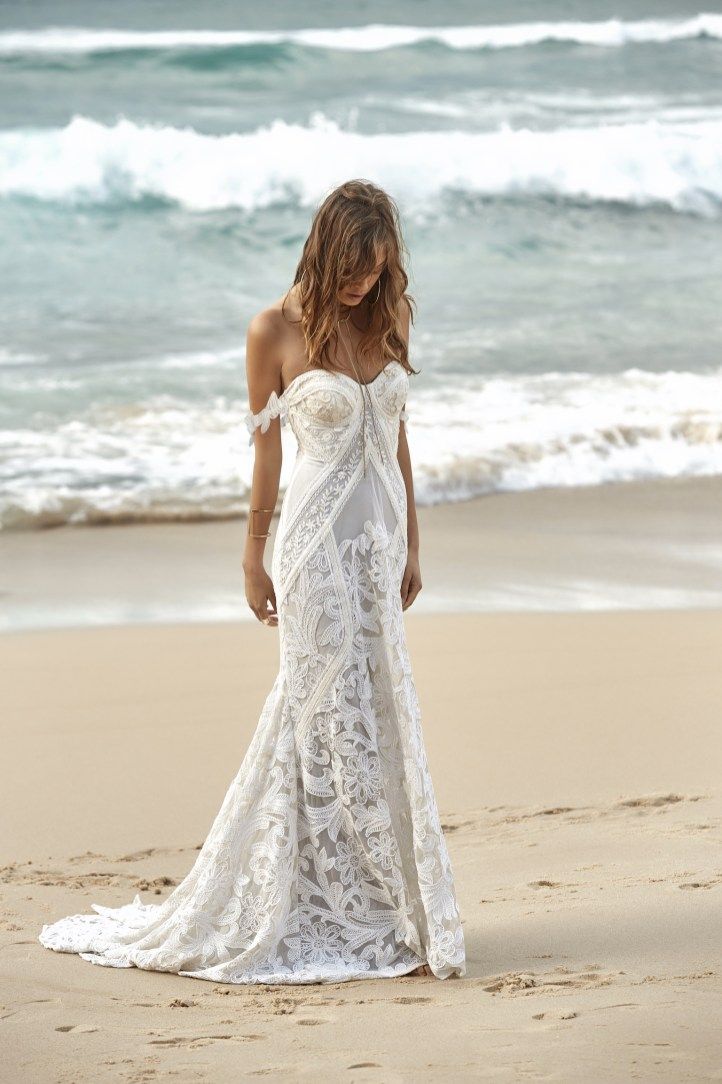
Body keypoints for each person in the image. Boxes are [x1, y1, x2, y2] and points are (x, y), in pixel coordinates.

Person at [38, 179, 466, 985]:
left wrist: (413, 538)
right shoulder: (272, 330)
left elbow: (398, 435)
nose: (363, 286)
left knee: (377, 711)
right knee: (318, 717)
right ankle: (305, 898)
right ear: (327, 247)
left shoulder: (391, 316)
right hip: (308, 550)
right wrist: (251, 553)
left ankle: (377, 903)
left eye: (377, 272)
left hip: (375, 549)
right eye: (354, 269)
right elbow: (267, 452)